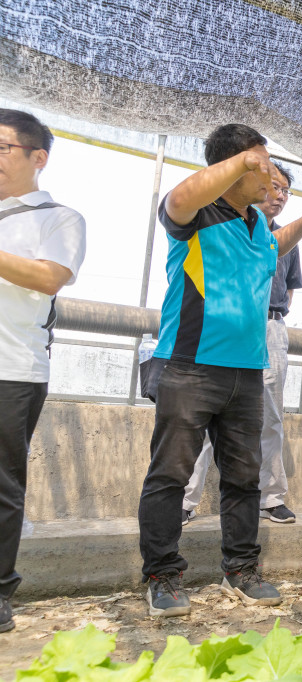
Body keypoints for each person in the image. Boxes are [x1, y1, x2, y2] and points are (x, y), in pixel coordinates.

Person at [138, 123, 302, 617]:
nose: (272, 177)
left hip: (246, 372)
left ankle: (241, 567)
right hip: (190, 366)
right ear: (239, 164)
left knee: (244, 477)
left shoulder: (258, 225)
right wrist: (245, 160)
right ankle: (162, 575)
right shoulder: (193, 214)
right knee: (170, 475)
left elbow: (275, 248)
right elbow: (182, 195)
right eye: (264, 164)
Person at [181, 162, 302, 526]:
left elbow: (288, 289)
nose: (279, 195)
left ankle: (271, 497)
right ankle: (186, 498)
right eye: (273, 186)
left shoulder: (286, 238)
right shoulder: (224, 224)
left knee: (270, 415)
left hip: (270, 328)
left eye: (286, 191)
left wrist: (271, 316)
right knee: (209, 416)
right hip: (224, 328)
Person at [0, 109, 86, 634]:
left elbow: (51, 276)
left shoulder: (58, 217)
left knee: (2, 485)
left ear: (38, 158)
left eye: (1, 147)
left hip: (11, 370)